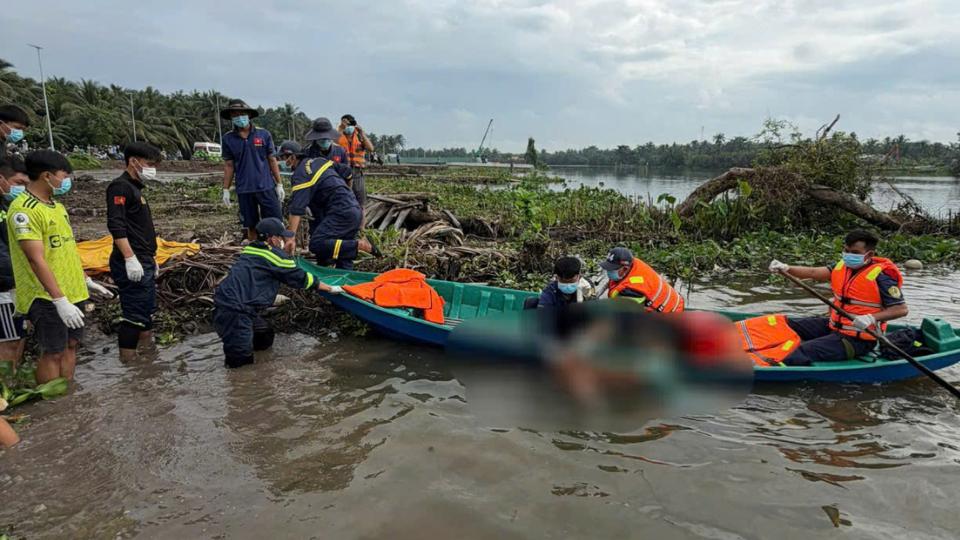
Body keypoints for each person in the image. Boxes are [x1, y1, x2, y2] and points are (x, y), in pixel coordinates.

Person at [8, 150, 111, 384]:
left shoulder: (57, 207)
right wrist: (59, 300)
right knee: (53, 350)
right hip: (45, 295)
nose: (66, 182)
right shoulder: (24, 210)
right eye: (64, 176)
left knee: (71, 344)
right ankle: (52, 402)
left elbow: (66, 249)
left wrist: (85, 279)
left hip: (73, 289)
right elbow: (35, 259)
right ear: (47, 176)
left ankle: (68, 395)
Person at [213, 217, 342, 368]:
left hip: (230, 304)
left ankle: (262, 369)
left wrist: (285, 255)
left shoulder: (251, 250)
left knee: (264, 335)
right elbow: (299, 277)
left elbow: (279, 266)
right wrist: (330, 288)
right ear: (273, 239)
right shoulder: (274, 256)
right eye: (281, 237)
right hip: (236, 311)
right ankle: (243, 384)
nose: (283, 240)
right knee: (240, 365)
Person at [768, 229, 908, 365]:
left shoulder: (882, 277)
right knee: (786, 324)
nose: (848, 255)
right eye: (846, 251)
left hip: (858, 340)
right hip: (834, 326)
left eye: (855, 252)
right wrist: (786, 268)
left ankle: (769, 368)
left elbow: (901, 309)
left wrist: (871, 318)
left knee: (798, 352)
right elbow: (813, 272)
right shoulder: (842, 267)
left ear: (869, 254)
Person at [277, 141, 375, 269]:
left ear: (293, 157)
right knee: (343, 256)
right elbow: (347, 172)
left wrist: (290, 238)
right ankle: (344, 283)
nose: (282, 162)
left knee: (317, 243)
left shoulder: (301, 174)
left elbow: (296, 209)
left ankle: (359, 245)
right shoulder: (319, 161)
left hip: (341, 212)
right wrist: (347, 194)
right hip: (352, 209)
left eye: (283, 158)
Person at [106, 142, 162, 361]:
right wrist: (130, 258)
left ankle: (147, 359)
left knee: (145, 313)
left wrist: (151, 257)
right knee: (134, 316)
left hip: (144, 259)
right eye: (149, 164)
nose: (152, 168)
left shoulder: (136, 189)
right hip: (132, 261)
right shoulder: (120, 187)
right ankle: (128, 363)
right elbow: (116, 224)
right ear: (133, 161)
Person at [220, 99, 285, 241]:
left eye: (241, 113)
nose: (239, 117)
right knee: (250, 224)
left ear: (249, 115)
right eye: (235, 115)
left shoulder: (263, 135)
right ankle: (255, 250)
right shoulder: (228, 139)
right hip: (244, 188)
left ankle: (278, 251)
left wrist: (279, 184)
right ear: (231, 118)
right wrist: (226, 189)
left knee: (275, 222)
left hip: (266, 186)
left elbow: (272, 159)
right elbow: (229, 165)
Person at [0, 154, 29, 367]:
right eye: (19, 183)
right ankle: (4, 393)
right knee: (8, 343)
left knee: (19, 337)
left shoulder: (8, 207)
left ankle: (12, 385)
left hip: (17, 286)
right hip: (4, 289)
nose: (23, 189)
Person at [601, 246, 684, 312]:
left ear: (625, 268)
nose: (609, 271)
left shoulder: (632, 289)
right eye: (608, 268)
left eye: (613, 269)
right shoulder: (633, 263)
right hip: (672, 301)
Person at [525, 256, 595, 309]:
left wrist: (587, 295)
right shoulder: (550, 290)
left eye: (571, 281)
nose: (568, 285)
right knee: (531, 302)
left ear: (579, 275)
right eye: (563, 281)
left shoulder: (587, 285)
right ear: (556, 277)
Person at [337, 114, 374, 207]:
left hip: (357, 172)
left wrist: (362, 132)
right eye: (344, 123)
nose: (347, 126)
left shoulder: (359, 136)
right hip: (342, 171)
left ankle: (360, 219)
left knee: (360, 201)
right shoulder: (339, 135)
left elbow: (370, 148)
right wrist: (340, 128)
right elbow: (333, 143)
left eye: (349, 124)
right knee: (342, 198)